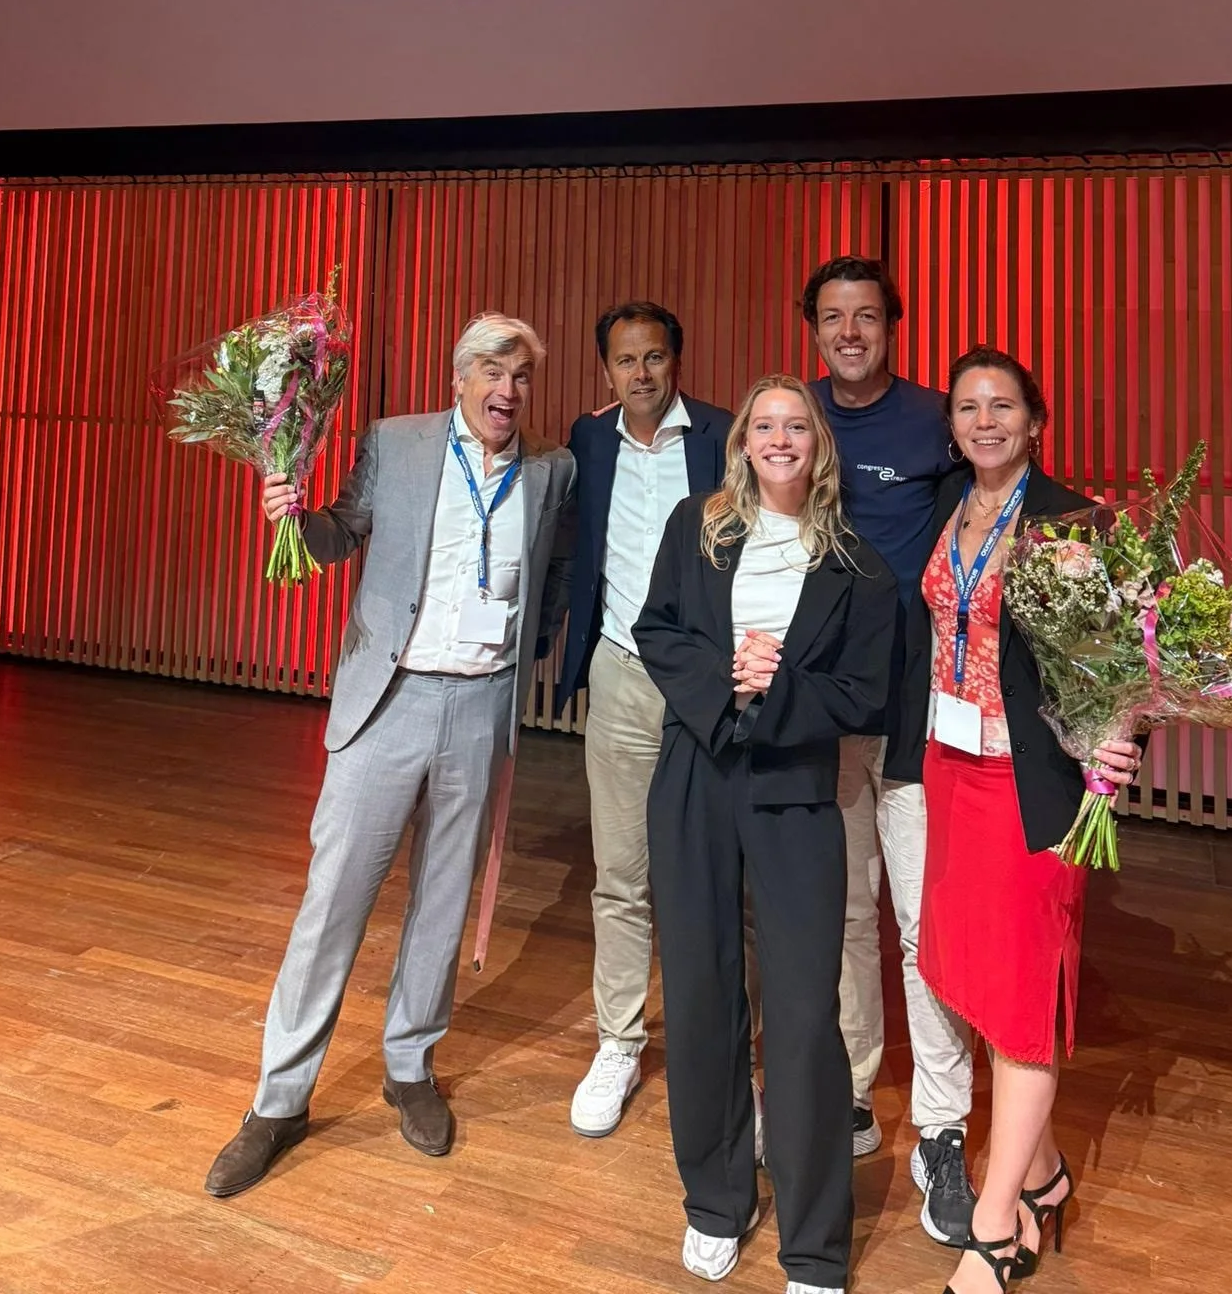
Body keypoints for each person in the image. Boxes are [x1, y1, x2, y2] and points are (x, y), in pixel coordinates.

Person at [203, 313, 576, 1197]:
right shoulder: (397, 443)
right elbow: (342, 533)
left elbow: (554, 572)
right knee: (333, 903)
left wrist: (536, 640)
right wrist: (291, 511)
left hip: (483, 707)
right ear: (460, 377)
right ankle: (279, 1099)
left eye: (521, 375)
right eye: (493, 369)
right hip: (389, 702)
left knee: (442, 905)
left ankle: (411, 1064)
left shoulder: (551, 470)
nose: (508, 389)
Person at [634, 377, 897, 1294]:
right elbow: (656, 631)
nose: (780, 439)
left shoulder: (861, 567)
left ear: (818, 448)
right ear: (742, 441)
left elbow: (867, 694)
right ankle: (715, 1200)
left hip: (794, 791)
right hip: (697, 775)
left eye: (798, 426)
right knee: (702, 996)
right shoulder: (694, 530)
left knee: (800, 1015)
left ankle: (816, 1244)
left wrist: (773, 685)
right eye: (764, 426)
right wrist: (726, 682)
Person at [906, 348, 1140, 1294]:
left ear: (1035, 421)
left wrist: (1121, 743)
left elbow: (1125, 663)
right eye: (968, 407)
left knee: (1021, 1003)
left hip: (1030, 784)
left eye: (1003, 406)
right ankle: (1042, 1173)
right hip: (946, 766)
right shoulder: (945, 509)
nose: (985, 421)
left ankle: (996, 1226)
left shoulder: (1071, 521)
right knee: (959, 972)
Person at [802, 256, 976, 1244]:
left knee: (922, 919)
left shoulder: (932, 420)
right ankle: (855, 1091)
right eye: (834, 317)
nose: (851, 331)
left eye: (867, 315)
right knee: (842, 912)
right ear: (815, 330)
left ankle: (943, 1129)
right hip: (826, 708)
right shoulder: (795, 417)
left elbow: (990, 524)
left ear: (892, 326)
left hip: (917, 710)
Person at [554, 301, 731, 1139]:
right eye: (625, 361)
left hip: (710, 685)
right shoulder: (591, 440)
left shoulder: (724, 438)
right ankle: (619, 1041)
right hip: (621, 676)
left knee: (719, 876)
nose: (642, 374)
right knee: (620, 875)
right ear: (606, 371)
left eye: (655, 357)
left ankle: (728, 1047)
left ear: (677, 360)